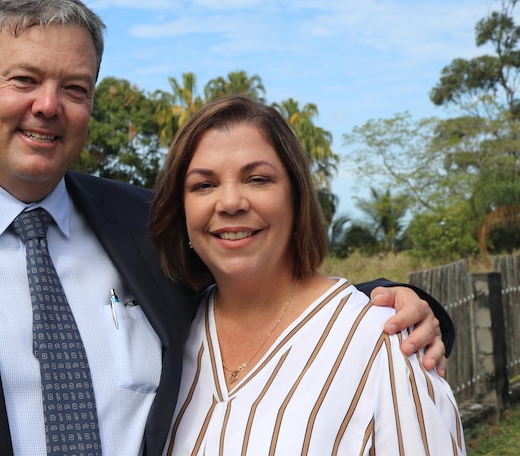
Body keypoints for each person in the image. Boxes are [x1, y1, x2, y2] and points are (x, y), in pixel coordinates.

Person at [0, 0, 453, 456]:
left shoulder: (145, 227)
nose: (49, 105)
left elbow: (258, 280)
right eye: (25, 79)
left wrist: (394, 305)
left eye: (74, 88)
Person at [149, 95, 464, 455]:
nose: (231, 202)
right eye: (204, 185)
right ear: (180, 208)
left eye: (257, 179)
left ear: (296, 198)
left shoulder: (383, 342)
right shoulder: (164, 336)